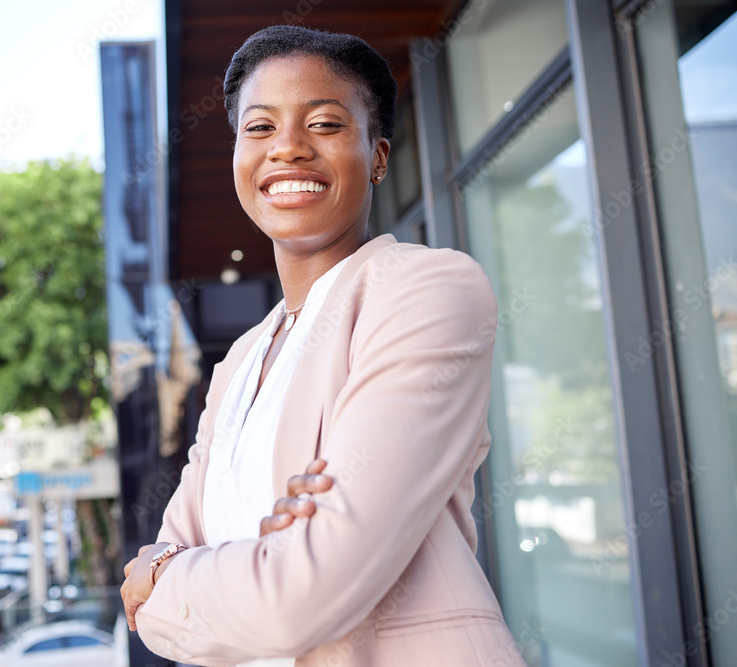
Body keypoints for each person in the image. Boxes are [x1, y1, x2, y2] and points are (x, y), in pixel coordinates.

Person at [120, 25, 525, 666]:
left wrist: (180, 574)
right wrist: (240, 561)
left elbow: (296, 598)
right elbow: (144, 603)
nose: (288, 149)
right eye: (258, 128)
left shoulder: (425, 290)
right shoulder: (238, 364)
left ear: (379, 156)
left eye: (327, 124)